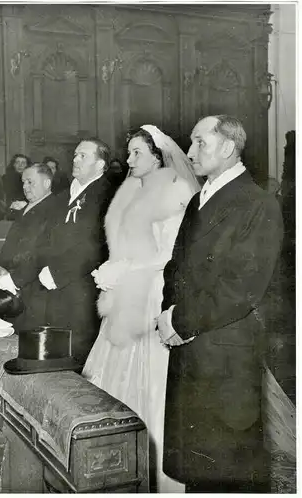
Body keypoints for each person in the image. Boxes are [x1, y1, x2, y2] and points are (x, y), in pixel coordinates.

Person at [157, 115, 284, 493]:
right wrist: (167, 314)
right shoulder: (200, 198)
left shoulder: (257, 204)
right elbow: (174, 267)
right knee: (199, 469)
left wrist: (180, 322)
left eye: (200, 143)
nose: (190, 152)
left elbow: (241, 289)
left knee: (229, 468)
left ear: (228, 148)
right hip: (191, 344)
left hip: (223, 352)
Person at [82, 125, 200, 492]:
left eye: (137, 153)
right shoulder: (133, 190)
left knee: (151, 382)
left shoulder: (178, 189)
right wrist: (115, 266)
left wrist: (127, 270)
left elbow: (172, 253)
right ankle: (111, 466)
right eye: (129, 152)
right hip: (129, 291)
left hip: (155, 291)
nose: (129, 160)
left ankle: (156, 471)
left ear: (157, 155)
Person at [18, 139, 115, 364]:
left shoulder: (107, 194)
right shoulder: (64, 195)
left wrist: (58, 271)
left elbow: (96, 244)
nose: (75, 160)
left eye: (83, 156)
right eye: (74, 155)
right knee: (55, 354)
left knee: (77, 356)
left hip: (81, 288)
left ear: (100, 165)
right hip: (52, 287)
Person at [0, 163, 58, 317]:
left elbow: (42, 253)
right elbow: (10, 244)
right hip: (11, 283)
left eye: (30, 182)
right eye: (23, 182)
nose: (25, 187)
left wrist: (14, 278)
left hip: (32, 289)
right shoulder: (26, 208)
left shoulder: (53, 210)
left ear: (47, 183)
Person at [3, 154, 31, 219]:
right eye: (17, 162)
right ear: (13, 165)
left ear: (27, 165)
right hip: (11, 210)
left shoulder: (31, 180)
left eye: (23, 163)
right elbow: (4, 197)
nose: (20, 165)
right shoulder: (6, 178)